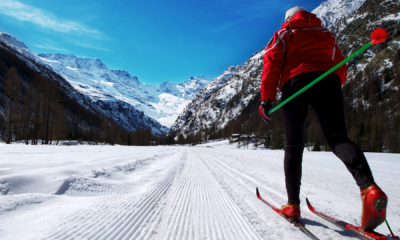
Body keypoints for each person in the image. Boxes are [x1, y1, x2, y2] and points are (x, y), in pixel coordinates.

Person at [259, 6, 388, 231]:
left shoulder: (284, 34)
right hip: (328, 82)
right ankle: (369, 188)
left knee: (294, 147)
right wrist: (331, 89)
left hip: (295, 84)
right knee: (338, 138)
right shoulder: (325, 34)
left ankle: (293, 205)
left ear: (288, 19)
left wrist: (267, 100)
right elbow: (340, 66)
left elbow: (271, 63)